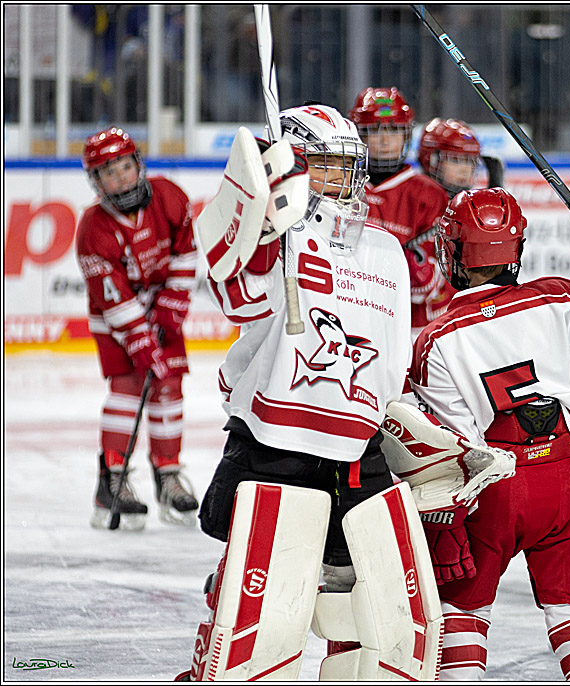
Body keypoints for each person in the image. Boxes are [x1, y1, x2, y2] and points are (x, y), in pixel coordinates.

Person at [182, 104, 425, 680]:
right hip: (276, 440)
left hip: (357, 446)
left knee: (359, 591)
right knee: (259, 588)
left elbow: (393, 356)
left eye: (344, 166)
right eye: (318, 165)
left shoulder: (386, 250)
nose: (336, 180)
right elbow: (236, 297)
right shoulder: (277, 237)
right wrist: (261, 218)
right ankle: (214, 661)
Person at [410, 187, 570, 680]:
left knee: (462, 615)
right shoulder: (558, 296)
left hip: (493, 485)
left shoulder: (433, 339)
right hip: (567, 478)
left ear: (455, 253)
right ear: (517, 248)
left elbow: (451, 446)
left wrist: (444, 518)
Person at [75, 126, 199, 531]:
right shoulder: (93, 227)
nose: (119, 179)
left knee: (169, 386)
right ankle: (112, 479)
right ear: (96, 181)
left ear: (138, 164)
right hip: (117, 321)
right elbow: (112, 296)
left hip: (164, 311)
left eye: (124, 167)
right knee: (128, 389)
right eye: (107, 173)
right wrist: (139, 338)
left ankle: (167, 472)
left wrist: (175, 299)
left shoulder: (169, 196)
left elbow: (185, 248)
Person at [348, 87, 453, 336]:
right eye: (374, 131)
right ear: (359, 135)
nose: (385, 140)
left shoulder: (429, 194)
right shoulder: (344, 184)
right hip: (349, 317)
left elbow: (431, 282)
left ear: (406, 135)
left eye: (394, 130)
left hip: (408, 327)